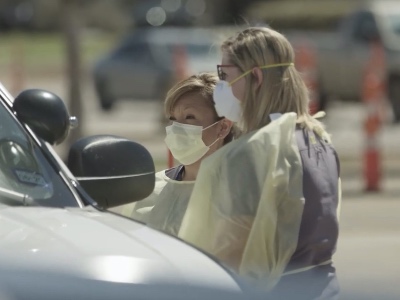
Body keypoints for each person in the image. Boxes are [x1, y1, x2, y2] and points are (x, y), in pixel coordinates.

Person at [177, 27, 341, 300]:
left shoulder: (249, 155)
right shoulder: (318, 140)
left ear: (255, 77)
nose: (220, 86)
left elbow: (229, 257)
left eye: (224, 75)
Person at [112, 72, 235, 236]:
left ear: (223, 127)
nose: (177, 127)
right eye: (173, 118)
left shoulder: (239, 195)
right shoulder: (149, 190)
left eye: (189, 117)